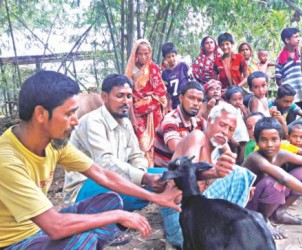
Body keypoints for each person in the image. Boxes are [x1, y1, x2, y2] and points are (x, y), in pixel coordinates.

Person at [0, 70, 181, 249]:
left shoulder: (54, 144)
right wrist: (117, 216)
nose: (75, 121)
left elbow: (103, 174)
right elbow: (54, 226)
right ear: (40, 114)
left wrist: (154, 197)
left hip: (39, 228)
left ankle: (88, 240)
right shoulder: (7, 160)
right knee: (80, 239)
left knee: (111, 201)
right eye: (69, 114)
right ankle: (85, 241)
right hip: (14, 242)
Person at [63, 74, 169, 211]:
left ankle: (174, 227)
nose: (126, 101)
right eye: (120, 96)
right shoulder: (93, 121)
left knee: (168, 176)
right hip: (86, 186)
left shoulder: (125, 122)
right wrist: (144, 178)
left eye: (129, 96)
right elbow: (105, 163)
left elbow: (136, 155)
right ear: (104, 97)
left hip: (118, 178)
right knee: (131, 194)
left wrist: (142, 176)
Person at [161, 102, 256, 248]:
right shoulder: (197, 137)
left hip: (197, 223)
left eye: (230, 130)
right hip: (180, 221)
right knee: (239, 174)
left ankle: (228, 229)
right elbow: (187, 170)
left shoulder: (215, 150)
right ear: (210, 121)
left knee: (236, 173)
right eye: (222, 125)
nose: (225, 132)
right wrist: (214, 173)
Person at [244, 117, 302, 239]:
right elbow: (283, 178)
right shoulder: (255, 158)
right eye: (264, 140)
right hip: (249, 204)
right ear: (256, 141)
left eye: (274, 139)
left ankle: (279, 213)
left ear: (281, 140)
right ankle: (263, 219)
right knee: (273, 182)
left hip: (266, 198)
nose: (270, 145)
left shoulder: (281, 154)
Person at [126, 39, 168, 165]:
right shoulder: (131, 70)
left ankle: (155, 168)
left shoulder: (154, 68)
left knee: (156, 141)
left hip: (154, 112)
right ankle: (143, 169)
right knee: (142, 143)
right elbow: (129, 96)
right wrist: (132, 117)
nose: (143, 57)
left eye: (146, 53)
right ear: (135, 54)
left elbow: (161, 92)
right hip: (137, 113)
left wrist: (149, 99)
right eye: (140, 54)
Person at [154, 81, 206, 168]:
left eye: (199, 100)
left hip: (186, 169)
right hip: (166, 172)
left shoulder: (198, 120)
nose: (196, 103)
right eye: (191, 98)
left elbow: (212, 135)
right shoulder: (170, 120)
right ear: (181, 98)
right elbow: (176, 149)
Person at [275, 27, 302, 112]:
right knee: (290, 120)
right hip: (290, 96)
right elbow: (278, 78)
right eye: (296, 37)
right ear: (287, 40)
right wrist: (285, 92)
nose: (298, 39)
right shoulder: (280, 58)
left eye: (299, 36)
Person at [161, 42, 191, 110]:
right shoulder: (165, 73)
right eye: (168, 57)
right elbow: (167, 92)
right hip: (175, 103)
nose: (171, 59)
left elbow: (191, 80)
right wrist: (168, 106)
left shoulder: (183, 66)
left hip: (186, 99)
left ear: (176, 55)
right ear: (164, 58)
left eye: (173, 56)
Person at [224, 85, 250, 164]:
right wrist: (231, 139)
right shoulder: (227, 110)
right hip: (233, 138)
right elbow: (225, 125)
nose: (238, 102)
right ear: (228, 100)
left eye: (240, 99)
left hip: (242, 137)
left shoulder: (241, 109)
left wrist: (245, 112)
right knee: (233, 158)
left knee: (241, 159)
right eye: (234, 100)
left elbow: (248, 120)